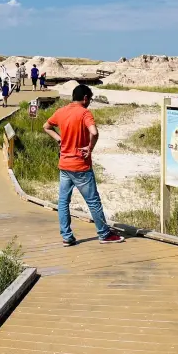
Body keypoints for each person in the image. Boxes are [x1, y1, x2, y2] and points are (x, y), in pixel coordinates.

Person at [43, 84, 124, 246]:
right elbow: (94, 132)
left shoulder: (61, 111)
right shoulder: (84, 112)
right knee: (93, 201)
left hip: (64, 164)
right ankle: (104, 234)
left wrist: (59, 139)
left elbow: (46, 126)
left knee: (63, 202)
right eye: (90, 99)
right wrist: (90, 148)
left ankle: (67, 236)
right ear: (85, 98)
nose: (89, 102)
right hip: (80, 165)